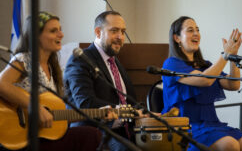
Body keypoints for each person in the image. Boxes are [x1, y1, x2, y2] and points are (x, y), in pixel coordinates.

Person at [0, 12, 103, 151]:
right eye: (53, 31)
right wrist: (34, 106)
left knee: (91, 135)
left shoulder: (52, 67)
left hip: (41, 137)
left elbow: (55, 115)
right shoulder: (24, 59)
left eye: (60, 30)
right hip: (20, 137)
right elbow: (1, 84)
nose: (61, 34)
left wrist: (100, 113)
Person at [161, 16, 242, 151]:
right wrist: (225, 55)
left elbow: (233, 85)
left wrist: (232, 58)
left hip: (212, 124)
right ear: (177, 38)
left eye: (197, 30)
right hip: (184, 128)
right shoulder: (171, 64)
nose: (196, 34)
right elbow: (205, 80)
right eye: (190, 30)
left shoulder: (206, 65)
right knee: (230, 145)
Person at [63, 11, 142, 151]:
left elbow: (128, 101)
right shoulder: (81, 59)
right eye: (114, 31)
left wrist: (144, 113)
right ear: (98, 32)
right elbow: (85, 102)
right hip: (94, 131)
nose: (120, 37)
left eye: (123, 32)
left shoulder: (115, 62)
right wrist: (126, 112)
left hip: (124, 131)